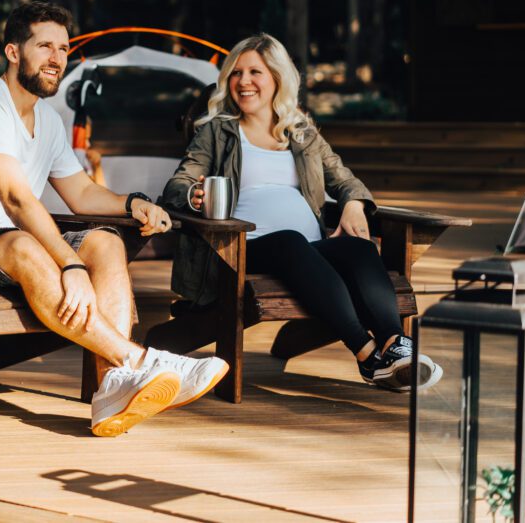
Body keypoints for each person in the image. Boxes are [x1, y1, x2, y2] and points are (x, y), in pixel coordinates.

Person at [0, 2, 228, 436]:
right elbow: (16, 199)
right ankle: (138, 361)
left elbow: (82, 192)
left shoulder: (47, 119)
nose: (56, 58)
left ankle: (112, 387)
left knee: (105, 241)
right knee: (23, 241)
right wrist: (70, 265)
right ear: (13, 52)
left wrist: (131, 204)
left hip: (6, 257)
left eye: (64, 49)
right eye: (44, 46)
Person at [161, 33, 440, 391]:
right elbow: (179, 183)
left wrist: (353, 204)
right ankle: (366, 354)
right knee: (290, 242)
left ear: (277, 78)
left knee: (359, 248)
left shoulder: (301, 132)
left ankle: (396, 346)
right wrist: (193, 195)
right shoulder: (217, 131)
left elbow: (344, 179)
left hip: (308, 254)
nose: (243, 81)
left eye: (255, 72)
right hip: (241, 251)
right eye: (236, 73)